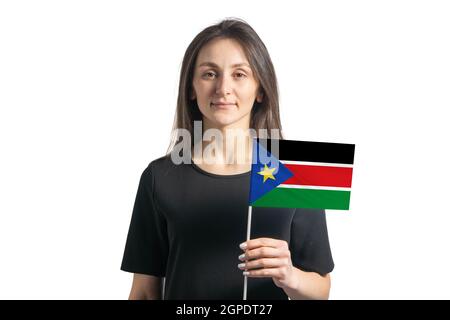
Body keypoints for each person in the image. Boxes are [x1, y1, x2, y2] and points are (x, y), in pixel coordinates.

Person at [120, 18, 334, 300]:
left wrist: (290, 276)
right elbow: (145, 293)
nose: (223, 88)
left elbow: (321, 291)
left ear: (260, 89)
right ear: (191, 88)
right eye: (209, 74)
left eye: (239, 74)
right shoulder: (159, 177)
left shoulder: (298, 172)